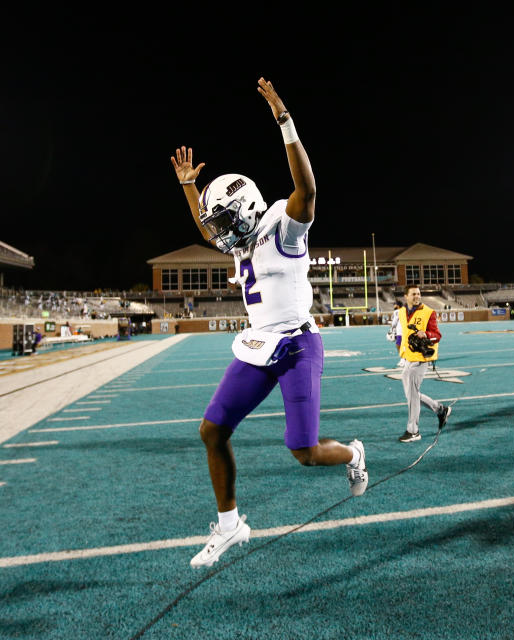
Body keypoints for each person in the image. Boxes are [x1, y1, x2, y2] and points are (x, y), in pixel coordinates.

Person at [170, 77, 367, 569]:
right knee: (212, 431)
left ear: (247, 207)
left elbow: (308, 188)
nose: (218, 229)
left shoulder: (284, 223)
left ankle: (353, 453)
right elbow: (208, 223)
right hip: (260, 344)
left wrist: (285, 120)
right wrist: (190, 189)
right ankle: (231, 525)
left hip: (299, 345)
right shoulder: (239, 239)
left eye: (223, 219)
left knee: (303, 451)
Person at [396, 285, 451, 442]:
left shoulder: (428, 312)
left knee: (412, 396)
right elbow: (401, 334)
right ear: (406, 296)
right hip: (407, 358)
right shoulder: (401, 312)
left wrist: (425, 334)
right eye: (413, 294)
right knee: (412, 395)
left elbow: (437, 335)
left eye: (418, 294)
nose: (417, 296)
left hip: (421, 359)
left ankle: (413, 431)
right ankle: (440, 410)